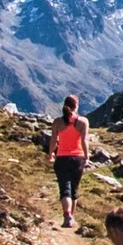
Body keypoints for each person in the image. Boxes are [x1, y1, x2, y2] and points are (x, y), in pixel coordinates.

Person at [49, 95, 90, 228]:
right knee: (74, 189)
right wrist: (87, 157)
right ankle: (71, 216)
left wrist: (50, 154)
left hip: (61, 158)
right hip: (78, 159)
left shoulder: (57, 122)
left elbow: (54, 141)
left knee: (64, 189)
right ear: (76, 105)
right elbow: (84, 141)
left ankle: (67, 215)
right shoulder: (83, 122)